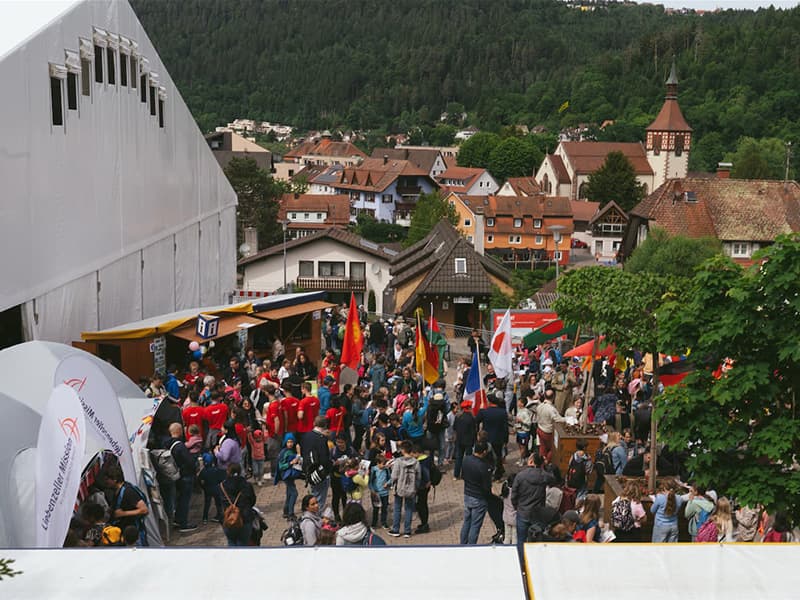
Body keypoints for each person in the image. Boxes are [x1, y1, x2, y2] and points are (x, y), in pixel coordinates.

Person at [512, 453, 555, 558]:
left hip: (522, 512)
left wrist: (516, 506)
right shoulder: (543, 475)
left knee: (521, 541)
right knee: (536, 541)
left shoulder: (520, 476)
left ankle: (521, 563)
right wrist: (545, 466)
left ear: (531, 461)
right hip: (537, 514)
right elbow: (553, 478)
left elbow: (514, 495)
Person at [104, 464, 149, 546]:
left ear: (114, 479)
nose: (105, 482)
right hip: (124, 532)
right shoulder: (116, 490)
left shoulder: (129, 492)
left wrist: (123, 513)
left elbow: (144, 510)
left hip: (134, 533)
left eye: (107, 479)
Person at [459, 440, 493, 545]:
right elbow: (487, 486)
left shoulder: (466, 459)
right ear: (483, 452)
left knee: (466, 522)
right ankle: (471, 547)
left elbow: (463, 475)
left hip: (467, 494)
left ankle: (462, 544)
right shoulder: (483, 466)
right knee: (475, 525)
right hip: (479, 497)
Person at [167, 423, 198, 532]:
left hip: (175, 475)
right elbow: (189, 461)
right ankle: (183, 523)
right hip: (185, 475)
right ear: (179, 431)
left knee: (179, 499)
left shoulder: (166, 443)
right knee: (185, 499)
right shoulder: (180, 446)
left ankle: (177, 519)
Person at [388, 440, 420, 538]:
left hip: (399, 488)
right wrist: (416, 487)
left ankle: (396, 529)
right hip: (411, 488)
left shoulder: (398, 461)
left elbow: (394, 476)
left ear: (402, 450)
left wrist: (389, 483)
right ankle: (407, 531)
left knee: (397, 509)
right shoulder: (416, 462)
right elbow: (419, 477)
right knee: (409, 509)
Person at [219, 463, 257, 546]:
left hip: (228, 518)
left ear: (228, 472)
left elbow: (220, 502)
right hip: (245, 518)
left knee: (231, 542)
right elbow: (252, 501)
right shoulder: (247, 485)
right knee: (243, 543)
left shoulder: (222, 486)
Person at [476, 391, 509, 480]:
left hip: (486, 438)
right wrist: (506, 440)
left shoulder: (484, 412)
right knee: (498, 456)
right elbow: (505, 428)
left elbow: (476, 421)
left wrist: (477, 433)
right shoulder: (502, 412)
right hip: (498, 438)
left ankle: (489, 473)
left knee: (487, 457)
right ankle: (498, 474)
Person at [302, 416, 333, 508]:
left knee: (313, 494)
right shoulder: (321, 439)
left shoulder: (306, 435)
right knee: (319, 500)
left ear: (314, 424)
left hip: (308, 470)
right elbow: (324, 459)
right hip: (319, 473)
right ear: (325, 425)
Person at [535, 389, 566, 464]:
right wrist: (568, 419)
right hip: (547, 432)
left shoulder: (539, 406)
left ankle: (541, 462)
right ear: (553, 397)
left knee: (542, 448)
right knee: (553, 448)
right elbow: (558, 419)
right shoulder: (551, 409)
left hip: (539, 429)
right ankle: (546, 462)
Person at [198, 453, 225, 525]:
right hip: (216, 489)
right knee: (218, 503)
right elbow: (221, 479)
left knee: (207, 504)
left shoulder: (203, 471)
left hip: (208, 489)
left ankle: (205, 518)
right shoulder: (216, 470)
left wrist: (203, 487)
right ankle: (220, 516)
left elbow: (199, 480)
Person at [453, 400, 476, 480]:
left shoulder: (458, 417)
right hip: (468, 441)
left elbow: (454, 428)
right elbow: (474, 431)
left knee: (458, 457)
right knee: (468, 458)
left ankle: (456, 474)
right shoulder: (471, 418)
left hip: (459, 440)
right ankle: (465, 474)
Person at [369, 454, 391, 529]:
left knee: (384, 508)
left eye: (385, 463)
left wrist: (387, 483)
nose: (384, 465)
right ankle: (374, 523)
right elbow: (370, 481)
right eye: (383, 463)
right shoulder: (373, 470)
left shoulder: (386, 470)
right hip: (376, 493)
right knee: (375, 509)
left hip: (385, 493)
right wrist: (372, 490)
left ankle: (383, 522)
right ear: (378, 463)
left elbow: (390, 478)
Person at [514, 397, 533, 466]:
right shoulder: (519, 410)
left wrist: (521, 421)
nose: (517, 403)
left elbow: (529, 422)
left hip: (524, 432)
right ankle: (521, 458)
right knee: (520, 446)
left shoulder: (525, 412)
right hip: (519, 431)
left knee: (523, 447)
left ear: (522, 404)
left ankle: (522, 460)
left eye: (519, 402)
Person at [501, 474, 518, 546]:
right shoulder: (516, 493)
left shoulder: (505, 490)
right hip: (514, 518)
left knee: (507, 538)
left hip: (506, 517)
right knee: (515, 538)